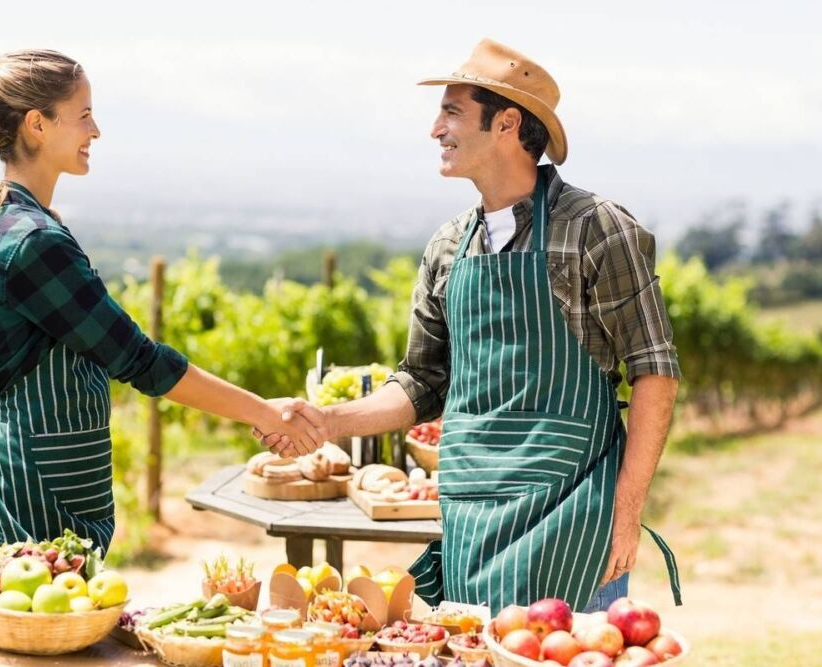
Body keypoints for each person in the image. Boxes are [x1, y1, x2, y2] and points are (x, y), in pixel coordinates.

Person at [0, 50, 319, 613]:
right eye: (84, 114)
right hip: (27, 496)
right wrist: (264, 414)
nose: (96, 130)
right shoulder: (32, 242)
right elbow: (140, 360)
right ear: (37, 124)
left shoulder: (21, 226)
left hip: (41, 488)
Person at [266, 39, 682, 613]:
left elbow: (654, 370)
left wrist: (627, 509)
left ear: (507, 123)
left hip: (571, 513)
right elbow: (420, 382)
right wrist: (329, 420)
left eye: (452, 111)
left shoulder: (594, 229)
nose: (435, 128)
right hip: (471, 513)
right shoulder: (447, 246)